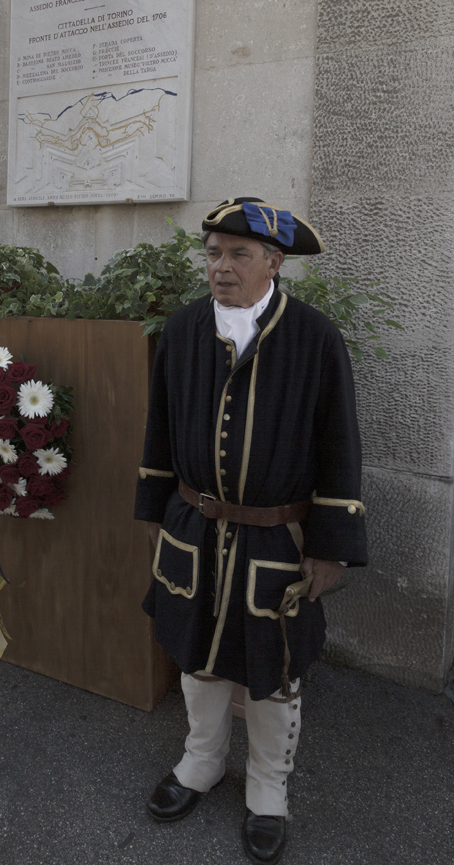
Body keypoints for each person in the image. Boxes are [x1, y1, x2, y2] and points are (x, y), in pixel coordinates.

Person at [135, 196, 368, 865]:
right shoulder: (180, 331)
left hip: (275, 540)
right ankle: (199, 763)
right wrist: (153, 509)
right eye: (212, 253)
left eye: (238, 254)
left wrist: (330, 546)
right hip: (191, 527)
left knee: (273, 668)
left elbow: (339, 445)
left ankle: (268, 788)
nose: (221, 267)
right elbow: (158, 428)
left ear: (273, 262)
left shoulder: (314, 337)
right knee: (195, 652)